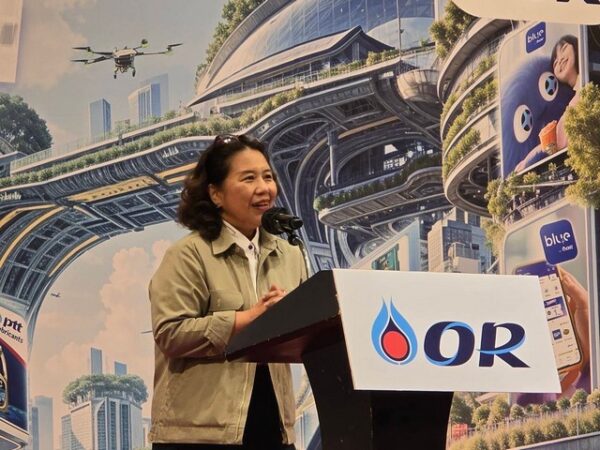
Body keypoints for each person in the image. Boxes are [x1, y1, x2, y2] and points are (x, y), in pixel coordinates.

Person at [149, 134, 307, 450]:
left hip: (273, 431)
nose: (264, 188)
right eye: (249, 178)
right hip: (199, 436)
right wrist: (250, 318)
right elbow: (170, 334)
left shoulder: (290, 255)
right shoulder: (188, 255)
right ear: (216, 194)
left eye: (267, 177)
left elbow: (303, 339)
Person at [515, 35, 580, 172]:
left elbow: (558, 142)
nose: (560, 60)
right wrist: (526, 162)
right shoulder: (574, 98)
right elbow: (553, 143)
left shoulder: (583, 88)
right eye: (555, 62)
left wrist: (526, 163)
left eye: (564, 49)